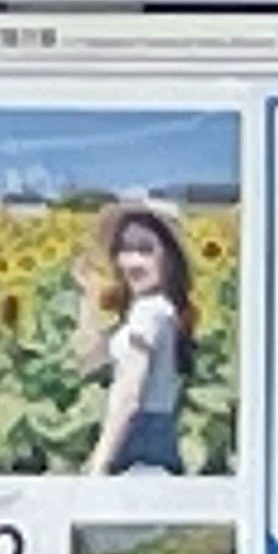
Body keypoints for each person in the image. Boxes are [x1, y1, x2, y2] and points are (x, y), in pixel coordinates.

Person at [76, 202, 194, 476]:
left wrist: (98, 464)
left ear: (169, 257)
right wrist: (90, 296)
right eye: (124, 249)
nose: (132, 261)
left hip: (136, 448)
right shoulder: (163, 310)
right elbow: (91, 360)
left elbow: (128, 398)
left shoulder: (148, 313)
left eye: (145, 250)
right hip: (160, 443)